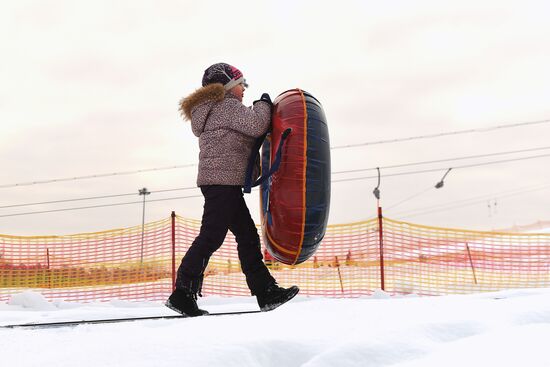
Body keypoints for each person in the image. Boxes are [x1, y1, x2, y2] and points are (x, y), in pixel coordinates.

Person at [166, 63, 299, 316]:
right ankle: (182, 293)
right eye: (241, 84)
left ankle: (265, 291)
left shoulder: (213, 108)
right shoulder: (225, 106)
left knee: (247, 236)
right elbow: (257, 125)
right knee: (211, 237)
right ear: (227, 87)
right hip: (222, 183)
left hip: (222, 182)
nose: (244, 89)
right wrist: (263, 104)